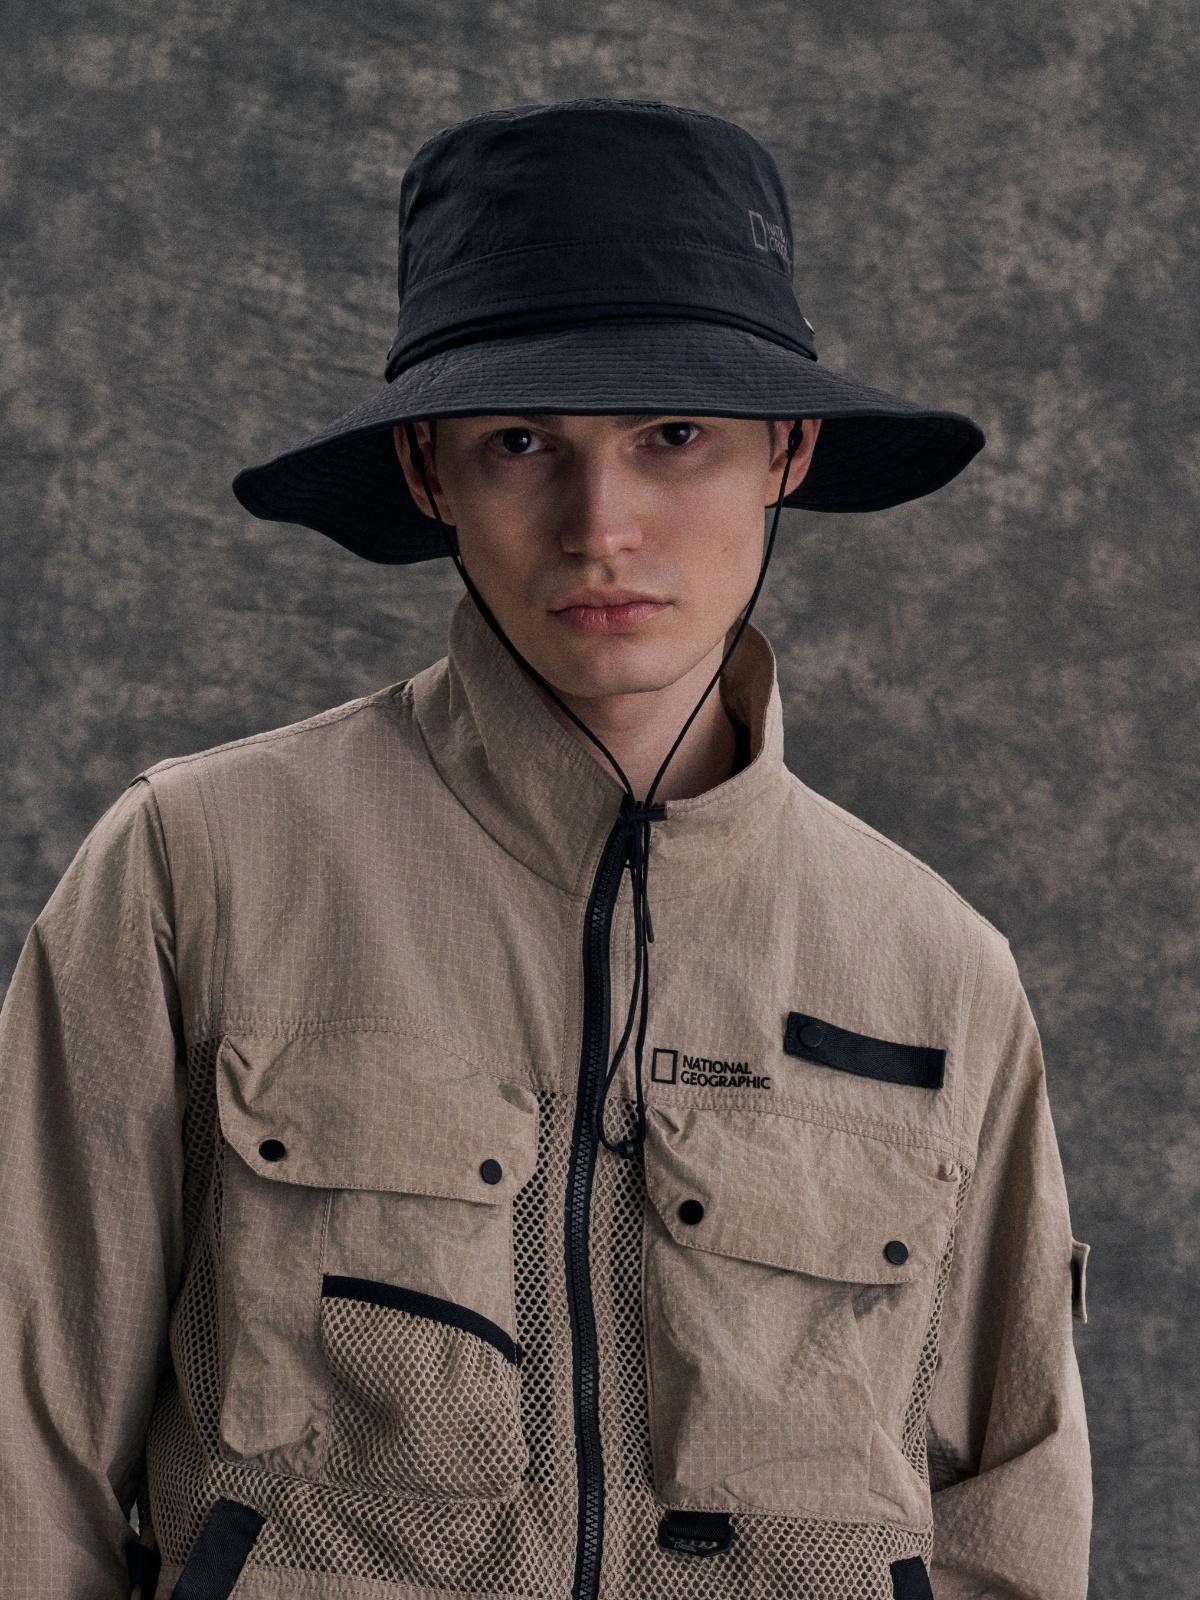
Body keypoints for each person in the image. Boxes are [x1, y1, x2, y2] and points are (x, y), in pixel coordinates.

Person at [0, 98, 1092, 1600]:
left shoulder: (937, 971)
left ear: (785, 452)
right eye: (521, 442)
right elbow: (24, 1461)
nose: (602, 525)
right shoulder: (194, 872)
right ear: (427, 472)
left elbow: (1010, 1523)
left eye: (674, 435)